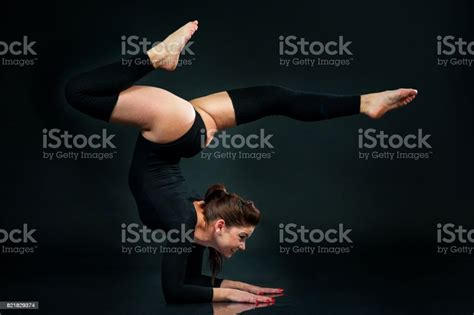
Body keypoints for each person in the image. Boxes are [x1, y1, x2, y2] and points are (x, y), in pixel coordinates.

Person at [64, 20, 417, 304]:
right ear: (218, 225)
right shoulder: (189, 223)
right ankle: (365, 102)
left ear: (219, 226)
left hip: (175, 131)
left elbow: (178, 289)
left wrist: (238, 291)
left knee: (77, 92)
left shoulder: (185, 225)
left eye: (243, 238)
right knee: (275, 98)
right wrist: (237, 292)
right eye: (243, 237)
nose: (243, 246)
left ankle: (156, 58)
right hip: (174, 133)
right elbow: (183, 287)